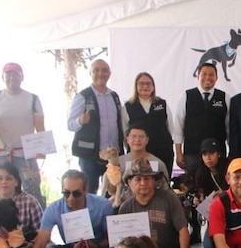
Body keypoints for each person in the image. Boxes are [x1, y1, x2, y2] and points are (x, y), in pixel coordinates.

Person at [0, 62, 46, 206]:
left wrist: (42, 149)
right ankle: (3, 224)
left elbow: (40, 126)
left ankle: (36, 224)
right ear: (3, 77)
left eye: (15, 74)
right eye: (8, 74)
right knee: (1, 193)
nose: (12, 77)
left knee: (32, 191)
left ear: (22, 77)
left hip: (25, 155)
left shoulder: (32, 99)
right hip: (1, 154)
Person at [68, 59, 124, 194]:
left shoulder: (114, 96)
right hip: (90, 156)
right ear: (90, 73)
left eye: (104, 70)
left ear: (109, 74)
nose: (101, 73)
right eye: (96, 70)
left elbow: (120, 122)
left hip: (112, 157)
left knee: (112, 194)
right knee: (89, 194)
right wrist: (81, 120)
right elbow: (70, 124)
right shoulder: (83, 96)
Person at [173, 62, 229, 177]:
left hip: (217, 155)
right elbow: (178, 126)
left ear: (216, 78)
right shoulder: (186, 96)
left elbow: (229, 128)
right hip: (192, 153)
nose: (207, 77)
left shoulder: (225, 98)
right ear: (198, 76)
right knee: (194, 187)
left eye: (211, 74)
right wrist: (178, 153)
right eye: (204, 74)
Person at [122, 72, 174, 176]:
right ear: (136, 86)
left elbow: (170, 128)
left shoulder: (162, 104)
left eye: (148, 83)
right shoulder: (128, 106)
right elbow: (124, 132)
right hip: (138, 155)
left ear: (153, 86)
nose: (145, 86)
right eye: (141, 84)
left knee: (161, 183)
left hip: (162, 152)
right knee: (140, 182)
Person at [105, 123, 170, 203]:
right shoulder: (119, 161)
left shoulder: (158, 163)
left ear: (147, 140)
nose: (137, 140)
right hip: (123, 204)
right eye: (133, 136)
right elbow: (111, 191)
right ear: (127, 139)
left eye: (141, 137)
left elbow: (165, 190)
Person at [194, 138, 228, 248]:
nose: (208, 158)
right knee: (208, 246)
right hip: (214, 213)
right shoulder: (201, 172)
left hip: (231, 210)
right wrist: (199, 198)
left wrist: (225, 192)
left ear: (218, 154)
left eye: (211, 153)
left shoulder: (228, 167)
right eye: (204, 154)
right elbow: (199, 191)